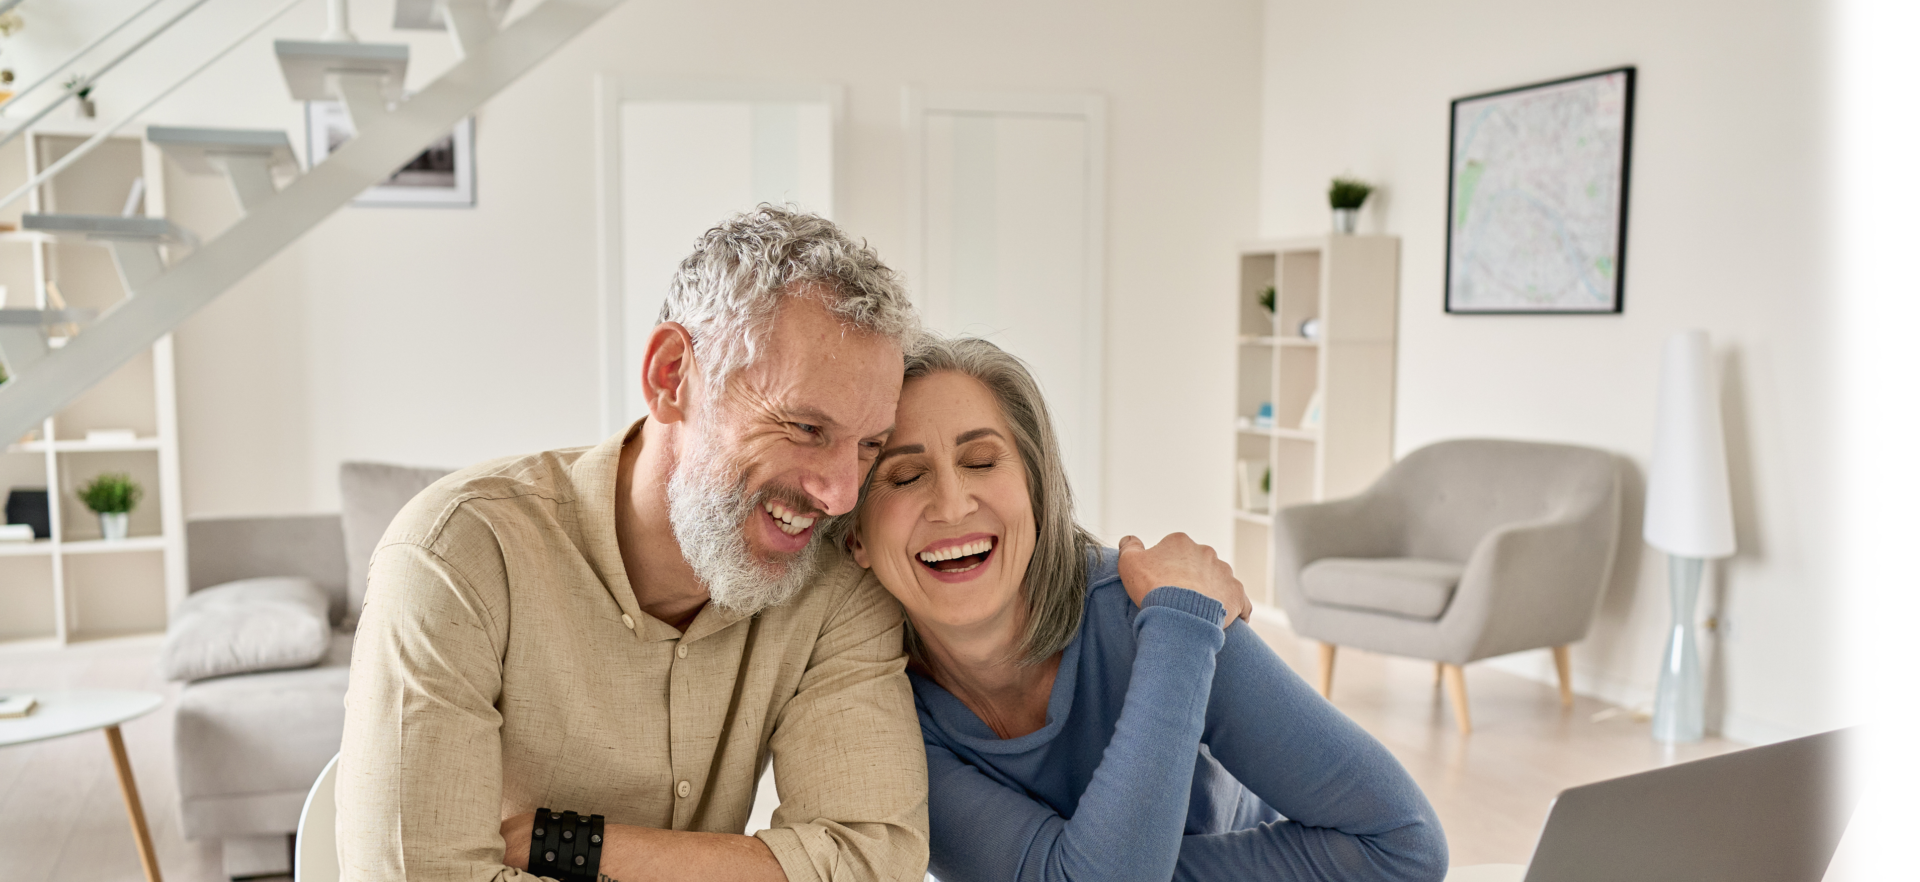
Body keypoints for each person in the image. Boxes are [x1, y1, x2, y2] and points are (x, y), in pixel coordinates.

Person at [336, 206, 931, 882]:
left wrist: (567, 843)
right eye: (804, 427)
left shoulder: (837, 591)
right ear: (672, 375)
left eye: (869, 445)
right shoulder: (458, 553)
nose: (840, 495)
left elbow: (870, 859)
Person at [834, 337, 1449, 882]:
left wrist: (1181, 630)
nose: (952, 502)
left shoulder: (1165, 613)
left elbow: (1405, 843)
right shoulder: (879, 714)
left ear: (1037, 492)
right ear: (856, 535)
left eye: (981, 461)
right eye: (906, 476)